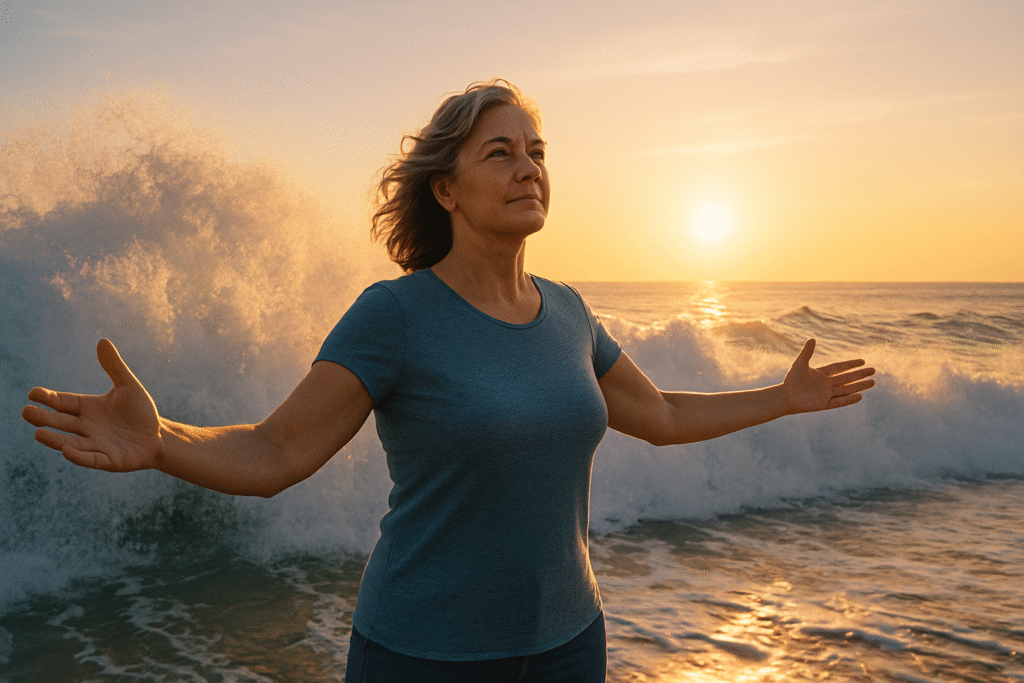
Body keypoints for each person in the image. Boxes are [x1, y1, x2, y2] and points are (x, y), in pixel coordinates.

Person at [22, 79, 876, 683]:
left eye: (537, 152)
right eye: (499, 152)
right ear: (448, 189)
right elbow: (278, 449)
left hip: (571, 642)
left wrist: (780, 396)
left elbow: (655, 413)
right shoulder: (395, 315)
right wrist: (162, 438)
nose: (528, 167)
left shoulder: (569, 311)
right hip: (423, 655)